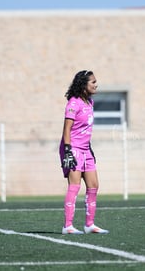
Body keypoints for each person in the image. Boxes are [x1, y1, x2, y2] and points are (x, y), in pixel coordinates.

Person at [59, 70, 109, 235]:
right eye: (92, 82)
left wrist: (90, 149)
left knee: (94, 185)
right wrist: (67, 151)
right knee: (74, 186)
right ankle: (68, 226)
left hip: (86, 149)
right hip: (72, 148)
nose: (96, 85)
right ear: (83, 85)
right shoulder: (73, 103)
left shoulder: (90, 102)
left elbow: (86, 130)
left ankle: (89, 225)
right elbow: (67, 129)